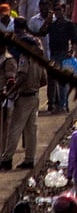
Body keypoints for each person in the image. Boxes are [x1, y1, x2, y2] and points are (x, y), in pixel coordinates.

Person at [1, 34, 46, 170]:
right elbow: (44, 80)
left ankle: (7, 159)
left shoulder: (24, 58)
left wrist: (9, 92)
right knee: (31, 130)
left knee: (14, 129)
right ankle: (29, 159)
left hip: (24, 97)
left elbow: (21, 77)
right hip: (35, 96)